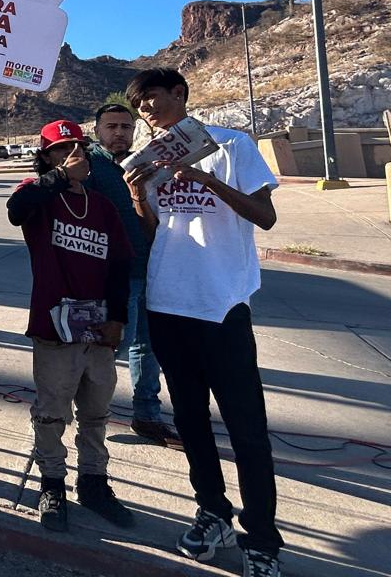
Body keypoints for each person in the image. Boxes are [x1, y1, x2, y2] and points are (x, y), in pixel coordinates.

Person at [124, 68, 283, 577]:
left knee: (246, 428)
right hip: (168, 302)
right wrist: (136, 196)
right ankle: (212, 511)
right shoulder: (150, 161)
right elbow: (157, 231)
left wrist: (205, 178)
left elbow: (265, 215)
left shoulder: (232, 144)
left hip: (222, 305)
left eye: (151, 98)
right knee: (190, 420)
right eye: (139, 104)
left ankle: (261, 540)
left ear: (179, 95)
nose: (145, 109)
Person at [7, 120, 134, 533]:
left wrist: (118, 319)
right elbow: (15, 212)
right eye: (62, 149)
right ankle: (52, 484)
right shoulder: (38, 197)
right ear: (46, 156)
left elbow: (119, 265)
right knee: (50, 413)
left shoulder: (102, 206)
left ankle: (94, 483)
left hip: (98, 328)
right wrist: (60, 178)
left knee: (96, 412)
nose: (73, 154)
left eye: (78, 147)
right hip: (54, 325)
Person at [84, 102, 180, 446]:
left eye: (126, 126)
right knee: (109, 348)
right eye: (111, 126)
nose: (119, 133)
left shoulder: (144, 165)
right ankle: (91, 413)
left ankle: (147, 415)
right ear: (98, 130)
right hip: (112, 276)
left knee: (147, 348)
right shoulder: (88, 167)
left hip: (151, 269)